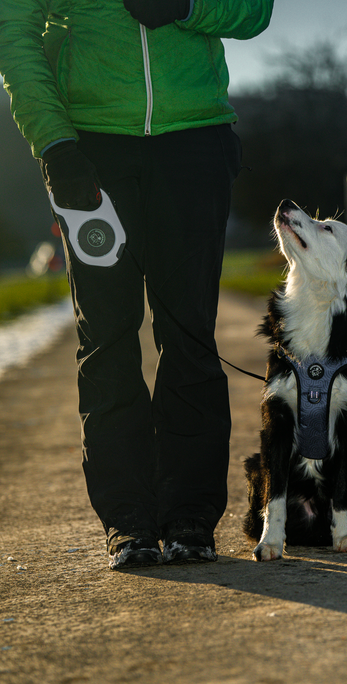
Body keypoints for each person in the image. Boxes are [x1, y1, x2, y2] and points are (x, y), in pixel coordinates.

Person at [0, 0, 274, 569]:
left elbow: (254, 10)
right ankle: (129, 521)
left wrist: (187, 5)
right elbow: (15, 32)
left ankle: (191, 518)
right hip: (92, 149)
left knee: (190, 335)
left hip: (195, 145)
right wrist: (54, 143)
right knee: (107, 339)